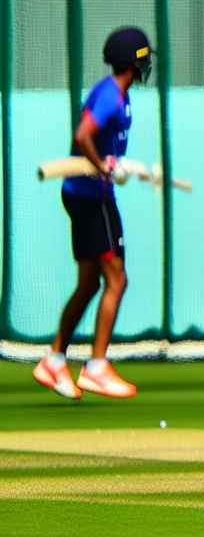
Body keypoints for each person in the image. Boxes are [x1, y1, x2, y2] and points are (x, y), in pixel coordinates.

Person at [34, 27, 153, 401]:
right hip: (92, 198)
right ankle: (97, 367)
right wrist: (102, 167)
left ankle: (54, 360)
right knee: (117, 279)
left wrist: (115, 164)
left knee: (89, 284)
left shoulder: (117, 93)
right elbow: (83, 134)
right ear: (134, 62)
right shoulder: (110, 95)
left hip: (87, 196)